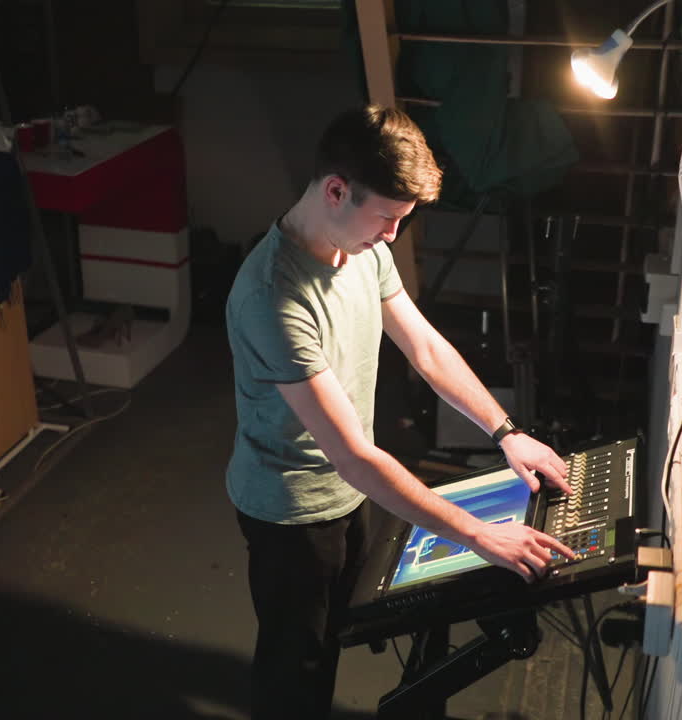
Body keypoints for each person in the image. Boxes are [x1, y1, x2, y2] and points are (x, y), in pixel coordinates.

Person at [225, 105, 575, 720]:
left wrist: (506, 431)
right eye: (386, 217)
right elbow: (355, 455)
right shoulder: (272, 299)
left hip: (350, 491)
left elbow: (428, 349)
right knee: (296, 673)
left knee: (342, 635)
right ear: (336, 190)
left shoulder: (361, 248)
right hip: (291, 510)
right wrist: (479, 535)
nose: (392, 236)